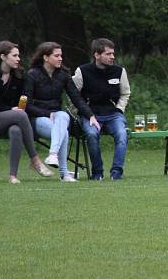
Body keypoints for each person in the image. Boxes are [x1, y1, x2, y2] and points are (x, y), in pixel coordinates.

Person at [0, 41, 53, 184]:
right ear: (3, 57)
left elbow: (22, 102)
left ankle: (13, 176)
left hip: (13, 119)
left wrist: (20, 105)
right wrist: (10, 110)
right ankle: (35, 159)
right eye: (15, 55)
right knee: (20, 114)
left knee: (16, 130)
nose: (18, 59)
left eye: (19, 55)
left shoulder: (18, 76)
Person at [25, 42, 96, 182]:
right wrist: (47, 114)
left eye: (61, 55)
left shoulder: (63, 75)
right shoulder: (32, 74)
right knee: (62, 130)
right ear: (45, 57)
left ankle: (53, 155)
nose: (60, 58)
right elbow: (26, 104)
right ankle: (64, 174)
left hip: (57, 117)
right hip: (37, 117)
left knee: (63, 116)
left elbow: (77, 98)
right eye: (56, 56)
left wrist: (90, 115)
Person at [72, 38, 131, 181]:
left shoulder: (119, 71)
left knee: (122, 135)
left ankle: (116, 173)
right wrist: (81, 112)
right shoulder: (82, 71)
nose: (112, 57)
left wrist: (119, 110)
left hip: (113, 114)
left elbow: (125, 93)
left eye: (113, 54)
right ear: (96, 55)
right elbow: (73, 95)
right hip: (90, 114)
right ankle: (97, 172)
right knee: (92, 135)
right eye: (108, 54)